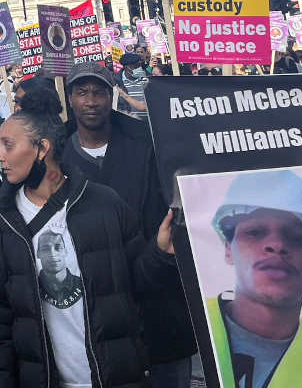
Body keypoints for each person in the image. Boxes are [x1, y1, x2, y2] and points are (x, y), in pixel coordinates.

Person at [0, 88, 178, 388]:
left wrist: (160, 254)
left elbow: (136, 284)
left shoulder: (105, 204)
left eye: (8, 145)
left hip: (115, 377)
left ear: (42, 148)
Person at [62, 62, 196, 386]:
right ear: (69, 99)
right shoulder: (55, 156)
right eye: (82, 92)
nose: (91, 101)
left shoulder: (149, 144)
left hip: (158, 298)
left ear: (112, 96)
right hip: (98, 311)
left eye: (99, 92)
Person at [205, 169, 302, 386]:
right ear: (228, 250)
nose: (277, 245)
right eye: (255, 232)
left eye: (297, 237)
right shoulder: (188, 322)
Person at [115, 52, 149, 122]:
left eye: (139, 66)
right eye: (135, 66)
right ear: (126, 67)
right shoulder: (117, 82)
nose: (139, 68)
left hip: (150, 123)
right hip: (129, 123)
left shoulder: (148, 79)